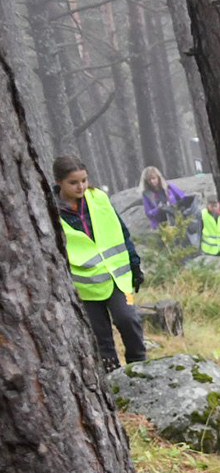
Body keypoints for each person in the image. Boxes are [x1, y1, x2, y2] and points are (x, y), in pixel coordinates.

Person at [52, 156, 147, 371]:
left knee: (128, 320)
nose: (81, 186)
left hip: (117, 278)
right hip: (83, 287)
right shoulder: (50, 211)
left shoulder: (99, 198)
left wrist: (135, 265)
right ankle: (111, 374)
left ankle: (140, 366)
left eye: (84, 180)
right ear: (59, 182)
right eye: (74, 182)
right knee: (99, 335)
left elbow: (121, 232)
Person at [139, 166, 194, 232]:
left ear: (158, 177)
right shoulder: (147, 194)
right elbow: (148, 213)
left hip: (176, 219)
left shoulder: (168, 187)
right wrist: (159, 209)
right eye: (149, 180)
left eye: (153, 178)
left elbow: (182, 197)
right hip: (161, 225)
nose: (152, 181)